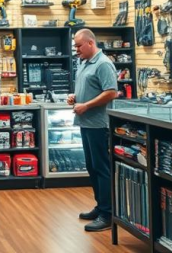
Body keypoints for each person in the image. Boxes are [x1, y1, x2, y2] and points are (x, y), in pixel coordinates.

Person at [68, 28, 118, 232]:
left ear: (90, 43)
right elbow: (89, 89)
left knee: (102, 168)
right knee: (91, 166)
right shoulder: (83, 63)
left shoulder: (104, 63)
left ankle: (107, 214)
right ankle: (100, 206)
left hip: (99, 124)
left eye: (79, 46)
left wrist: (86, 105)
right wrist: (75, 97)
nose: (76, 50)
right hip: (86, 123)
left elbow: (111, 92)